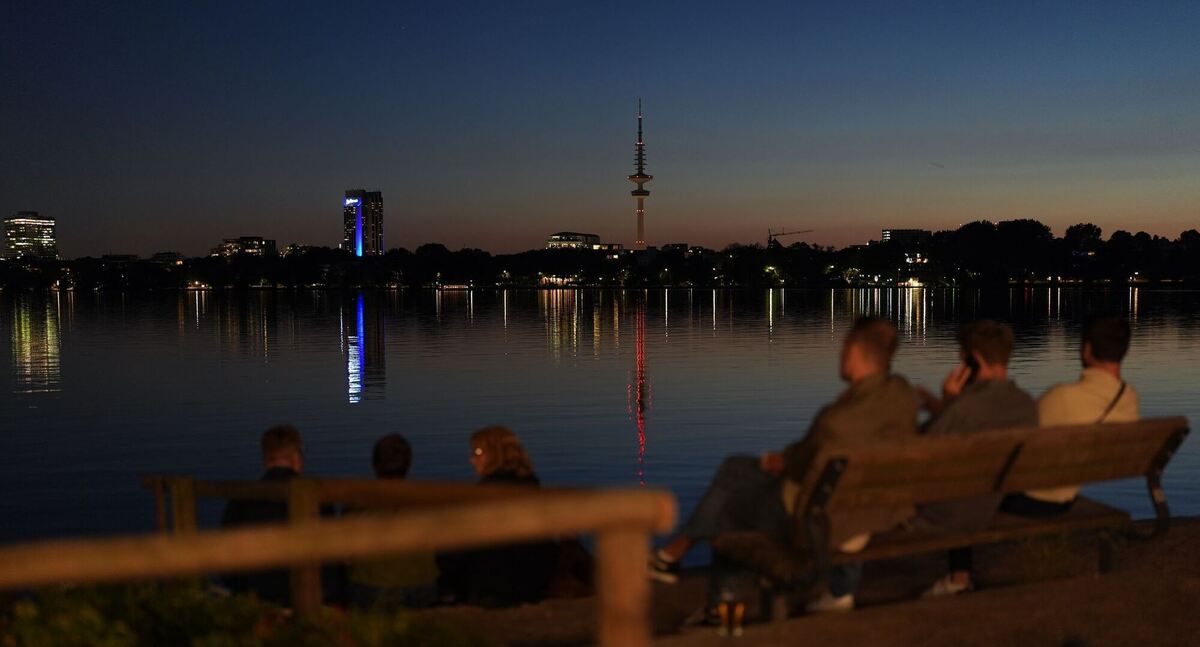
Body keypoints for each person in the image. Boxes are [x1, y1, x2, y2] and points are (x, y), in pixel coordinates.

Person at [651, 317, 920, 614]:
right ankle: (673, 554)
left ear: (854, 350)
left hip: (820, 520)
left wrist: (785, 460)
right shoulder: (903, 395)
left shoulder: (836, 422)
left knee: (730, 504)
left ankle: (717, 606)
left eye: (844, 347)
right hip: (877, 509)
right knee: (737, 468)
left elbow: (804, 466)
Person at [917, 320, 1038, 598]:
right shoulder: (1026, 404)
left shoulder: (963, 408)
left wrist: (947, 404)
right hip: (998, 496)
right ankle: (960, 576)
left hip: (957, 508)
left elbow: (922, 450)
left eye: (962, 358)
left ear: (974, 359)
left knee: (956, 484)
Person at [1004, 314, 1139, 516]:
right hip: (1066, 496)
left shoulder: (1063, 397)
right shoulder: (1129, 398)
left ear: (1087, 349)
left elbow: (1016, 442)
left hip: (1032, 498)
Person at [436, 426, 559, 607]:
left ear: (496, 455)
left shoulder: (483, 497)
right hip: (533, 584)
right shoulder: (532, 490)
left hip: (490, 588)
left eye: (478, 453)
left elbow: (454, 555)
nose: (472, 460)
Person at [220, 424, 340, 605]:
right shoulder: (316, 498)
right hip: (307, 593)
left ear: (265, 460)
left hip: (255, 595)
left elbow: (227, 561)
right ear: (297, 458)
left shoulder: (240, 499)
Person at [346, 434, 440, 609]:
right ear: (408, 464)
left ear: (375, 464)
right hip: (421, 582)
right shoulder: (426, 500)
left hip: (370, 583)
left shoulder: (357, 502)